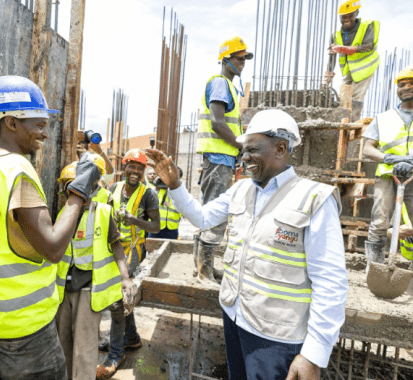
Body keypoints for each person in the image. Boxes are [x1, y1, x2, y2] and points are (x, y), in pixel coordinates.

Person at [146, 109, 348, 380]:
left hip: (276, 339)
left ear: (280, 148)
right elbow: (203, 218)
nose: (245, 158)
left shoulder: (314, 199)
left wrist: (313, 354)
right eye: (243, 151)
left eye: (253, 149)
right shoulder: (242, 190)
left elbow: (330, 281)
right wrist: (175, 185)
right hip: (235, 320)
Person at [0, 75, 101, 379]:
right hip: (18, 330)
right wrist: (79, 193)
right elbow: (54, 247)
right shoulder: (16, 171)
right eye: (38, 125)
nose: (44, 134)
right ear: (11, 123)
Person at [55, 160, 137, 380]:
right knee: (63, 344)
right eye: (68, 187)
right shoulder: (62, 213)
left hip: (88, 290)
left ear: (90, 189)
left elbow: (116, 245)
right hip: (63, 289)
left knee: (84, 348)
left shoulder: (101, 212)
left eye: (77, 186)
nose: (73, 192)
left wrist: (125, 278)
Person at [96, 148, 160, 380]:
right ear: (124, 167)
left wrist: (135, 221)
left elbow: (156, 227)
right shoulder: (115, 189)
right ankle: (131, 337)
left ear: (144, 171)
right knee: (122, 299)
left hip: (133, 250)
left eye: (140, 168)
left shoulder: (148, 194)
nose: (135, 171)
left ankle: (116, 353)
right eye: (131, 166)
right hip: (114, 248)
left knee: (117, 299)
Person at [195, 35, 253, 284]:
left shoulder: (228, 86)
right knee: (215, 215)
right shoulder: (220, 83)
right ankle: (203, 271)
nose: (242, 63)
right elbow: (218, 123)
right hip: (218, 159)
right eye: (238, 58)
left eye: (244, 59)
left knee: (209, 212)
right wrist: (241, 144)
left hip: (222, 159)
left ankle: (202, 267)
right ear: (225, 59)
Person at [362, 66, 413, 270]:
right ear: (397, 90)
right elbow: (367, 149)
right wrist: (391, 158)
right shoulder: (382, 118)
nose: (406, 88)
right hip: (388, 177)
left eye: (411, 84)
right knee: (380, 222)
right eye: (402, 85)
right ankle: (374, 268)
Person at [326, 0, 380, 121]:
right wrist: (328, 75)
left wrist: (343, 48)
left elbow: (368, 46)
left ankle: (352, 123)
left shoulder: (367, 25)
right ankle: (343, 121)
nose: (347, 19)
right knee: (343, 95)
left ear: (357, 13)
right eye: (344, 16)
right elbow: (332, 56)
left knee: (356, 95)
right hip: (349, 69)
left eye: (350, 15)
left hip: (365, 67)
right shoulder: (336, 35)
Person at [148, 167, 183, 240]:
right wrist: (157, 181)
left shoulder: (180, 193)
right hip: (155, 228)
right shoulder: (155, 190)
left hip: (172, 229)